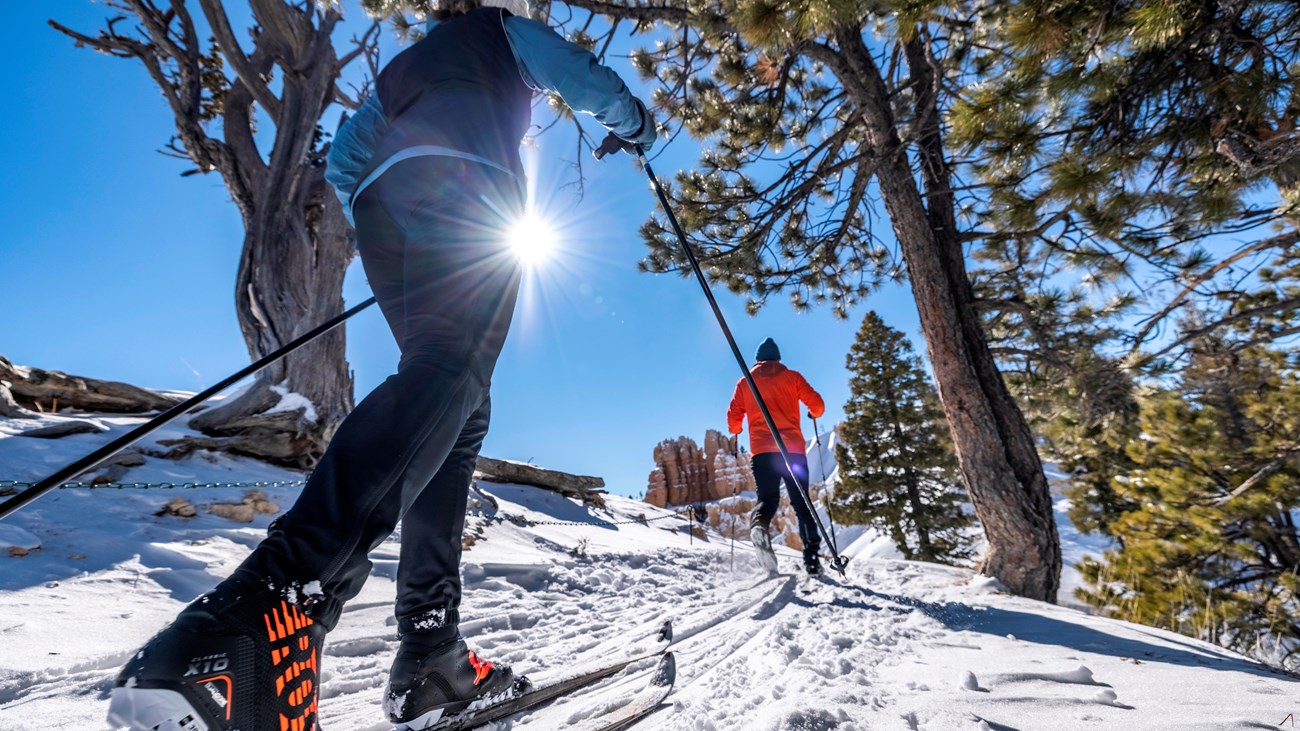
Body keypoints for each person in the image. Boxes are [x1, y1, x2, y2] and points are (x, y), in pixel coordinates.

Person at [106, 0, 655, 728]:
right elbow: (576, 74)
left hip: (385, 210)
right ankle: (268, 608)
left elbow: (343, 159)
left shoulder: (403, 67)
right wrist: (636, 125)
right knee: (451, 377)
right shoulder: (498, 29)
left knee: (456, 403)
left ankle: (432, 650)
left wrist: (388, 205)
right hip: (467, 191)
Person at [727, 337, 826, 576]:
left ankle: (759, 525)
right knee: (802, 504)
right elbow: (818, 406)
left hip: (762, 453)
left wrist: (739, 428)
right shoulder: (792, 377)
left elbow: (732, 422)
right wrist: (812, 413)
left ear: (758, 360)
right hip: (792, 452)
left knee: (768, 499)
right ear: (778, 359)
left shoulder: (745, 383)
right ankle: (812, 560)